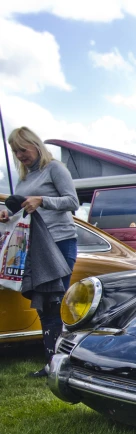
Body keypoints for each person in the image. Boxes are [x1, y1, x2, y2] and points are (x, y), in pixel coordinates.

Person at [0, 127, 79, 377]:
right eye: (15, 151)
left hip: (60, 243)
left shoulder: (55, 168)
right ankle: (51, 362)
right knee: (42, 305)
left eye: (23, 149)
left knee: (55, 302)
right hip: (35, 247)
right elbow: (26, 211)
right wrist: (8, 214)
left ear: (35, 145)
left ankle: (63, 363)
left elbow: (73, 202)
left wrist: (42, 200)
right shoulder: (24, 178)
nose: (20, 155)